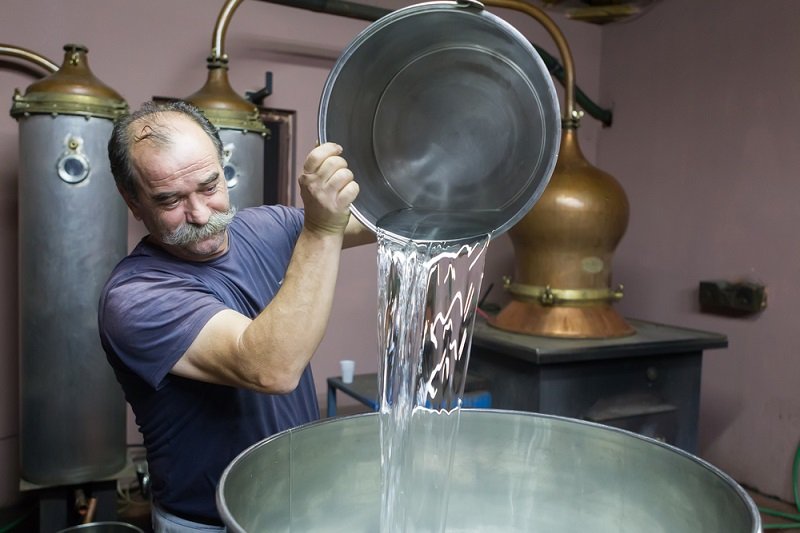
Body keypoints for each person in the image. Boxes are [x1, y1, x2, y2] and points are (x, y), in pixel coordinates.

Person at [98, 100, 373, 532]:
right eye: (169, 200)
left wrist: (422, 167)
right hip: (209, 523)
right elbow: (272, 368)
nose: (201, 215)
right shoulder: (135, 297)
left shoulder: (265, 227)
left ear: (223, 167)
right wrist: (322, 230)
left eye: (209, 186)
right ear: (132, 201)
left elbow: (378, 221)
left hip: (295, 507)